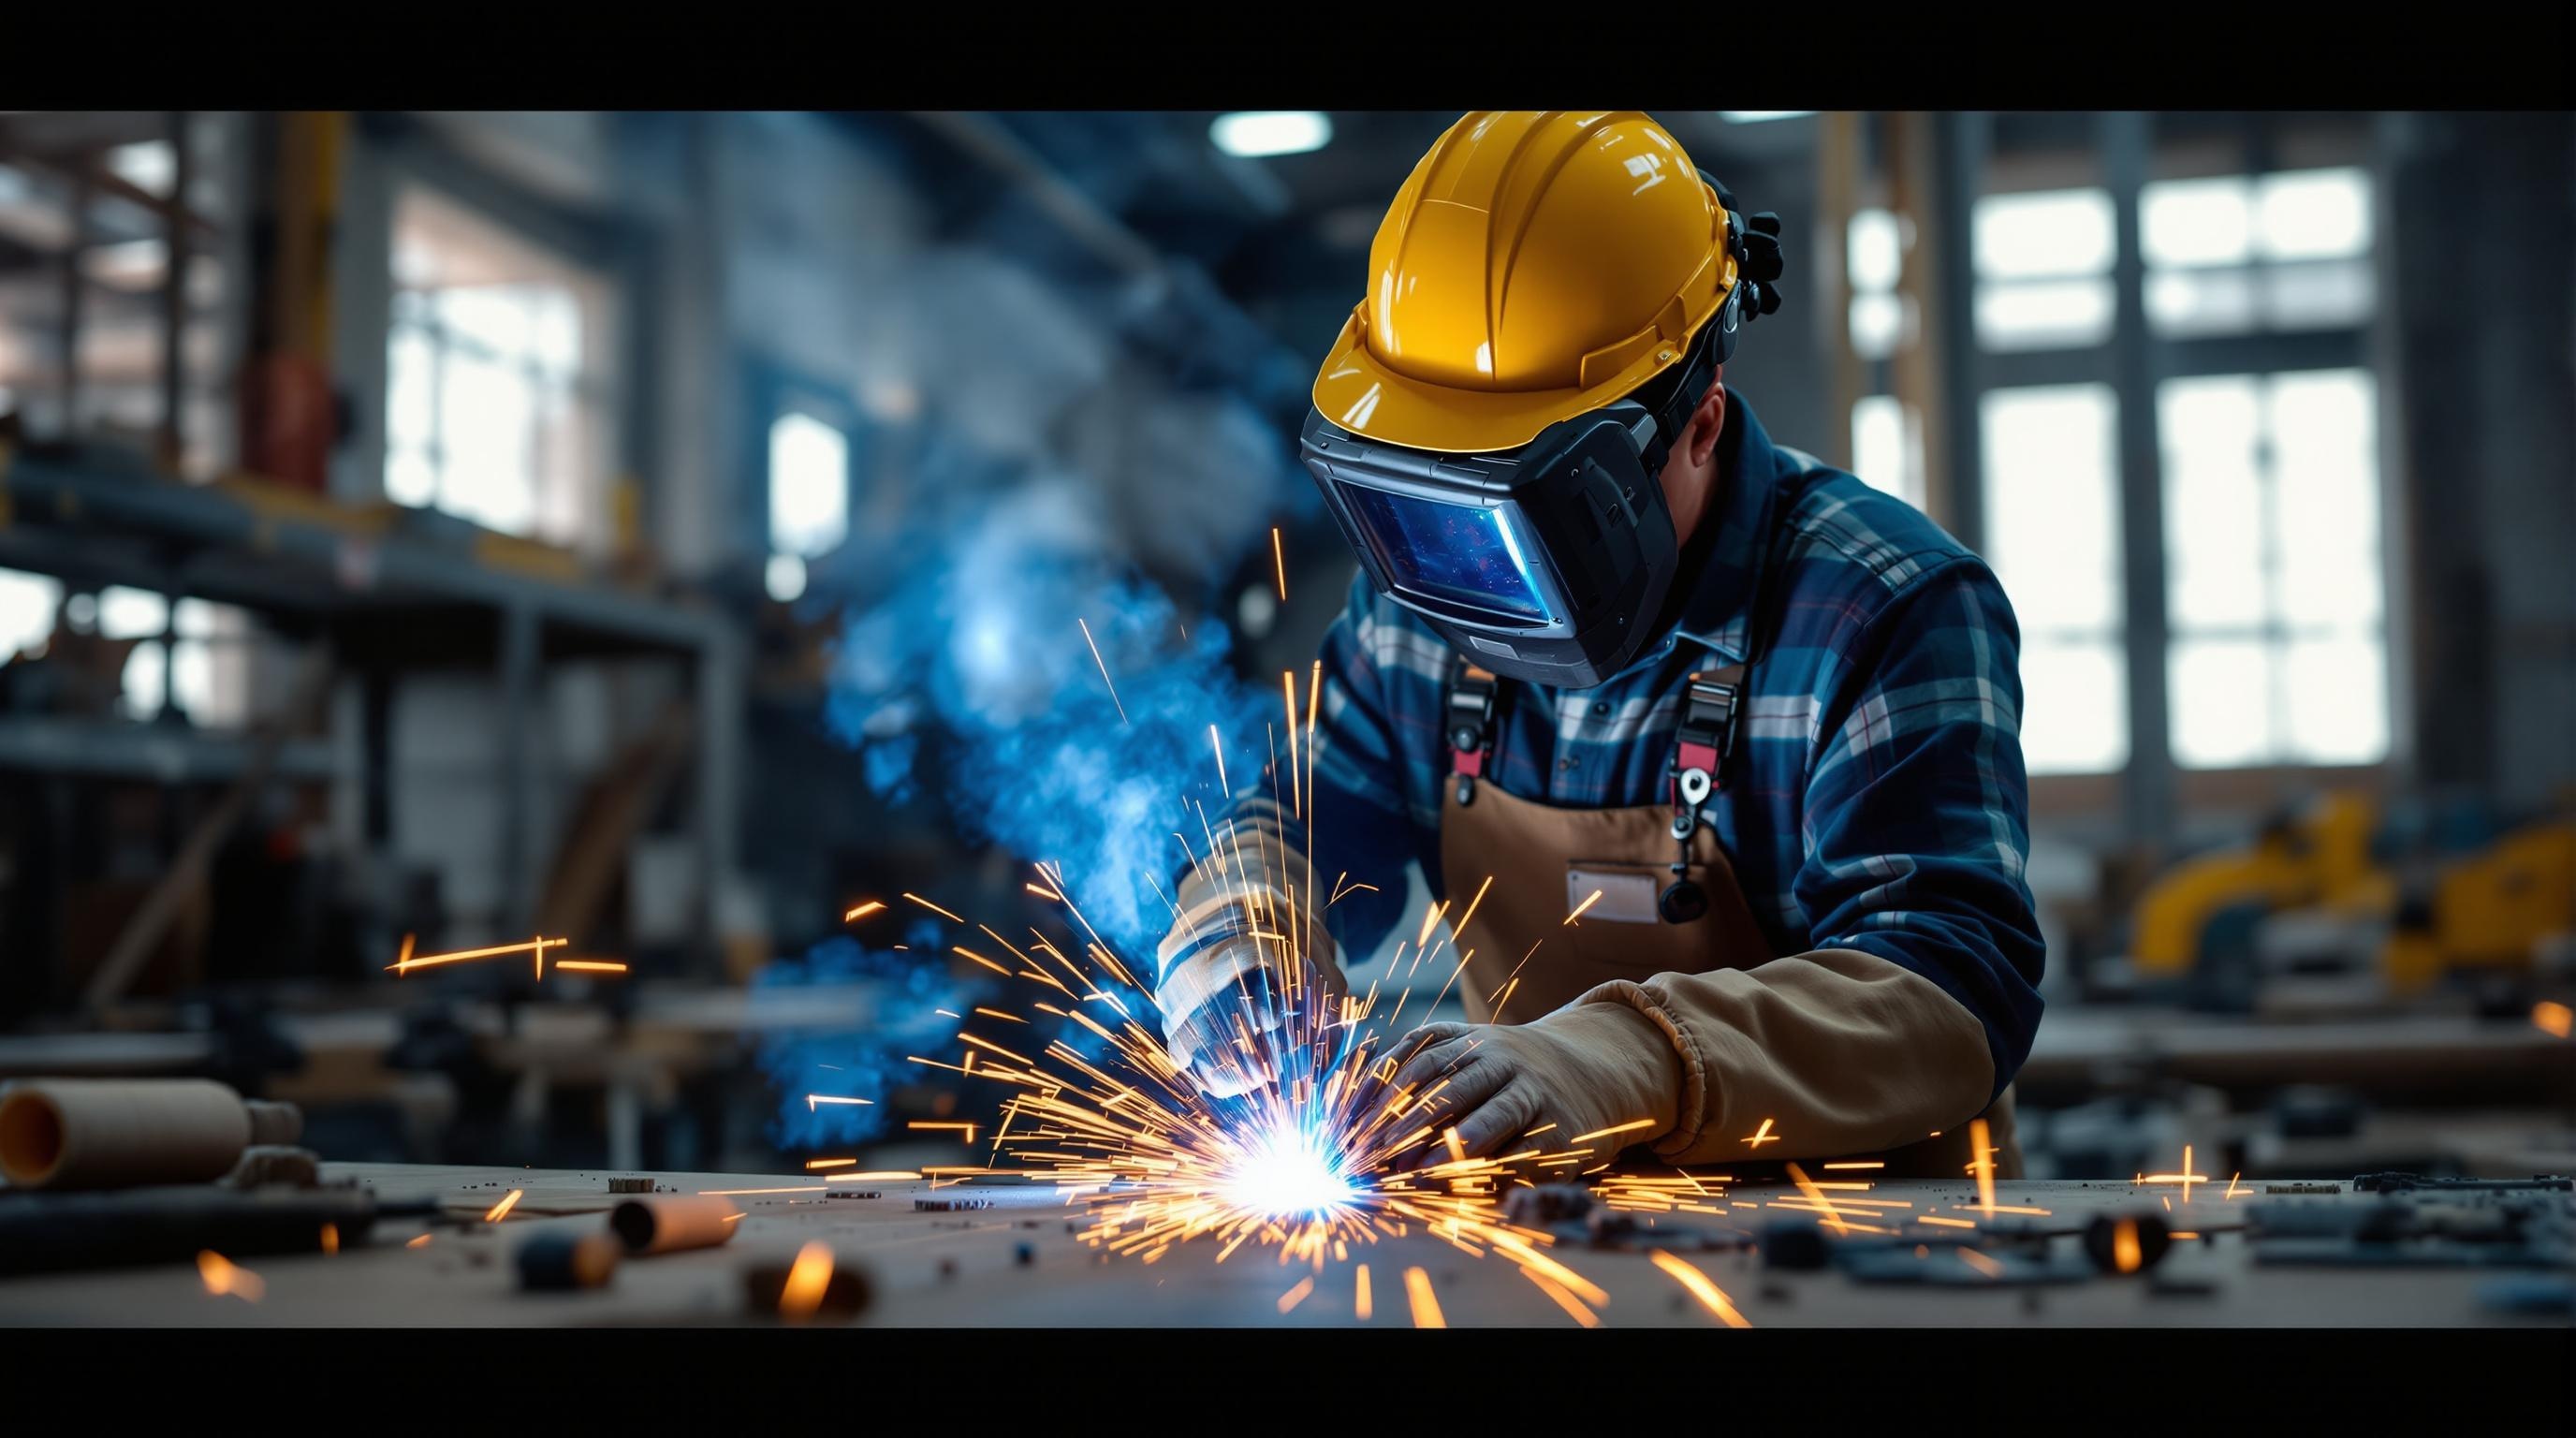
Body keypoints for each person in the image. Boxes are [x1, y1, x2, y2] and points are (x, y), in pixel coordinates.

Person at [1155, 110, 2042, 1177]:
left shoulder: (1879, 604)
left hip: (1868, 1243)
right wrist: (1248, 928)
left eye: (1532, 507)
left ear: (1698, 425)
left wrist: (1623, 1060)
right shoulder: (1416, 618)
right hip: (1551, 1231)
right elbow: (1292, 827)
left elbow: (1950, 988)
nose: (1476, 573)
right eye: (1434, 500)